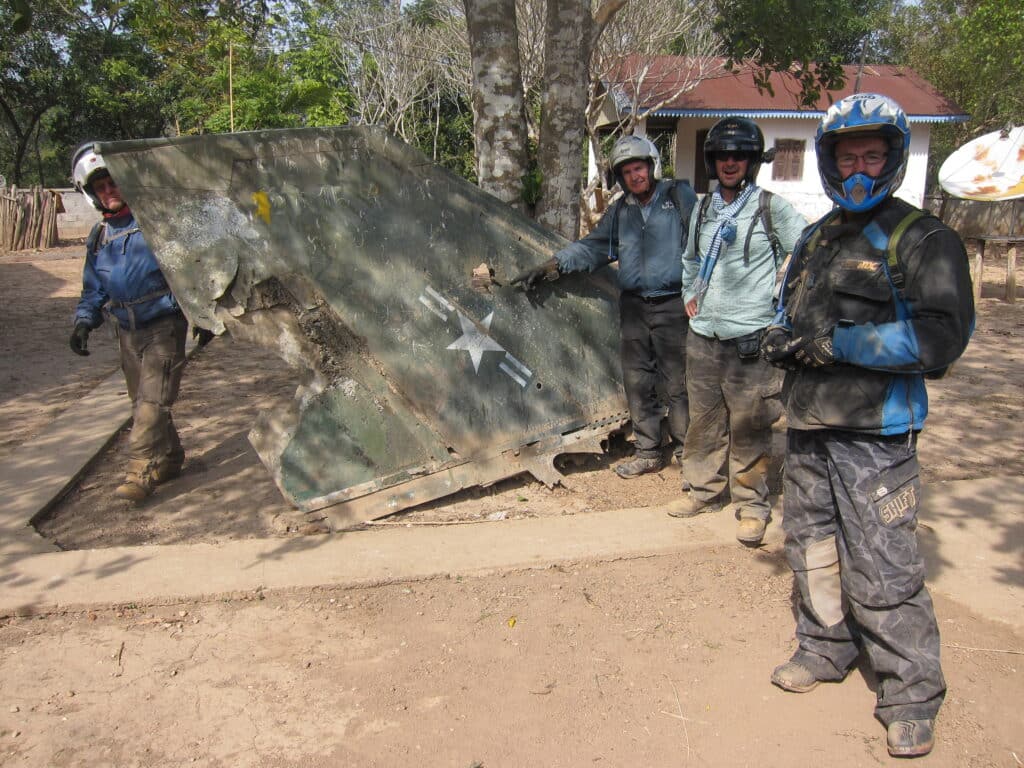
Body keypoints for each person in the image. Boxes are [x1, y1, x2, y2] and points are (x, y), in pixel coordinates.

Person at [760, 93, 974, 758]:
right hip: (807, 425)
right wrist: (780, 339)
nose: (858, 169)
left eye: (871, 155)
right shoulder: (815, 237)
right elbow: (791, 313)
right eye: (847, 156)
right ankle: (825, 647)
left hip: (876, 436)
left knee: (884, 566)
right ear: (829, 161)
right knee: (811, 546)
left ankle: (910, 692)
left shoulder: (923, 239)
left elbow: (941, 339)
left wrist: (841, 344)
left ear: (893, 158)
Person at [512, 135, 697, 479]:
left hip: (674, 304)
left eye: (639, 168)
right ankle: (648, 452)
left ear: (651, 166)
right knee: (637, 381)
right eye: (626, 172)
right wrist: (552, 265)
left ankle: (689, 454)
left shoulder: (677, 197)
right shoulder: (621, 211)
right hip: (634, 307)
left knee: (678, 382)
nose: (634, 176)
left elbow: (703, 241)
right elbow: (594, 247)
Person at [666, 117, 807, 547]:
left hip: (751, 340)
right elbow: (690, 260)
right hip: (703, 336)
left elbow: (805, 253)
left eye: (740, 156)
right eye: (723, 156)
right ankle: (703, 491)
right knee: (703, 421)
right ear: (713, 161)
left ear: (751, 161)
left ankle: (751, 506)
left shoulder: (770, 207)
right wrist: (689, 293)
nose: (730, 163)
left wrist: (781, 306)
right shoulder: (704, 208)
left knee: (751, 425)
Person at [69, 142, 194, 502]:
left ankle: (140, 471)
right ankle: (169, 457)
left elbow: (188, 270)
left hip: (164, 324)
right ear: (92, 194)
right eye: (101, 187)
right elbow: (93, 288)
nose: (109, 190)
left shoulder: (155, 224)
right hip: (126, 330)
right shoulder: (99, 238)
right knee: (142, 400)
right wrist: (83, 322)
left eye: (113, 182)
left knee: (152, 402)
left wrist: (202, 313)